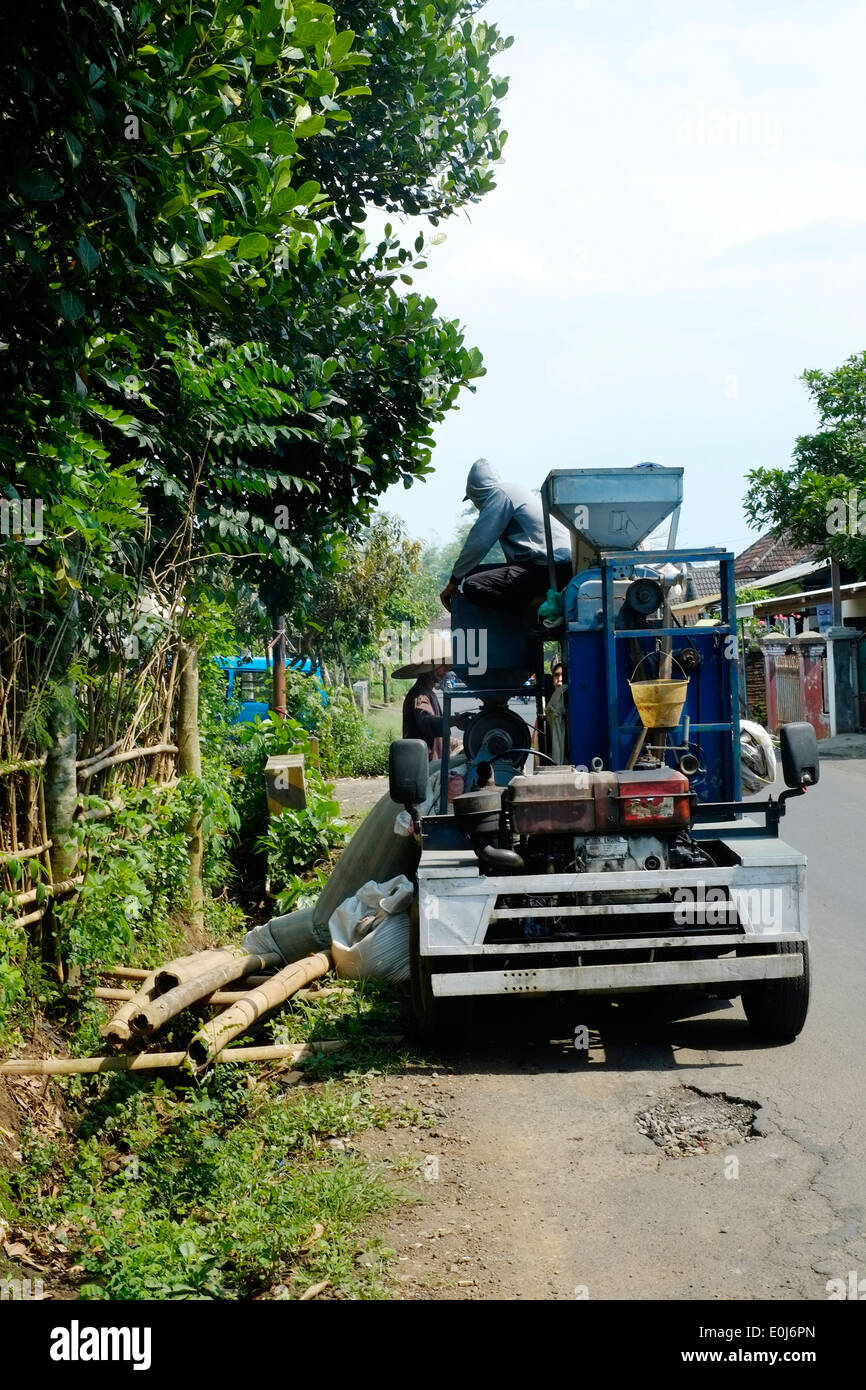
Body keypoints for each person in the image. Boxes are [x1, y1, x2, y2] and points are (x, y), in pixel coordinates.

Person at [439, 458, 573, 612]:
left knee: (473, 585)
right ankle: (538, 606)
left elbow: (478, 542)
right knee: (471, 573)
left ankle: (547, 607)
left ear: (477, 493)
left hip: (552, 566)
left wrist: (453, 582)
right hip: (552, 565)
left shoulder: (500, 494)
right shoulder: (513, 491)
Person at [402, 664, 466, 761]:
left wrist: (459, 743)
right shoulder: (420, 695)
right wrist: (454, 720)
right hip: (425, 764)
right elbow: (426, 722)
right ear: (427, 669)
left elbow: (438, 739)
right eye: (442, 666)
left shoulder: (428, 693)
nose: (447, 670)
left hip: (433, 760)